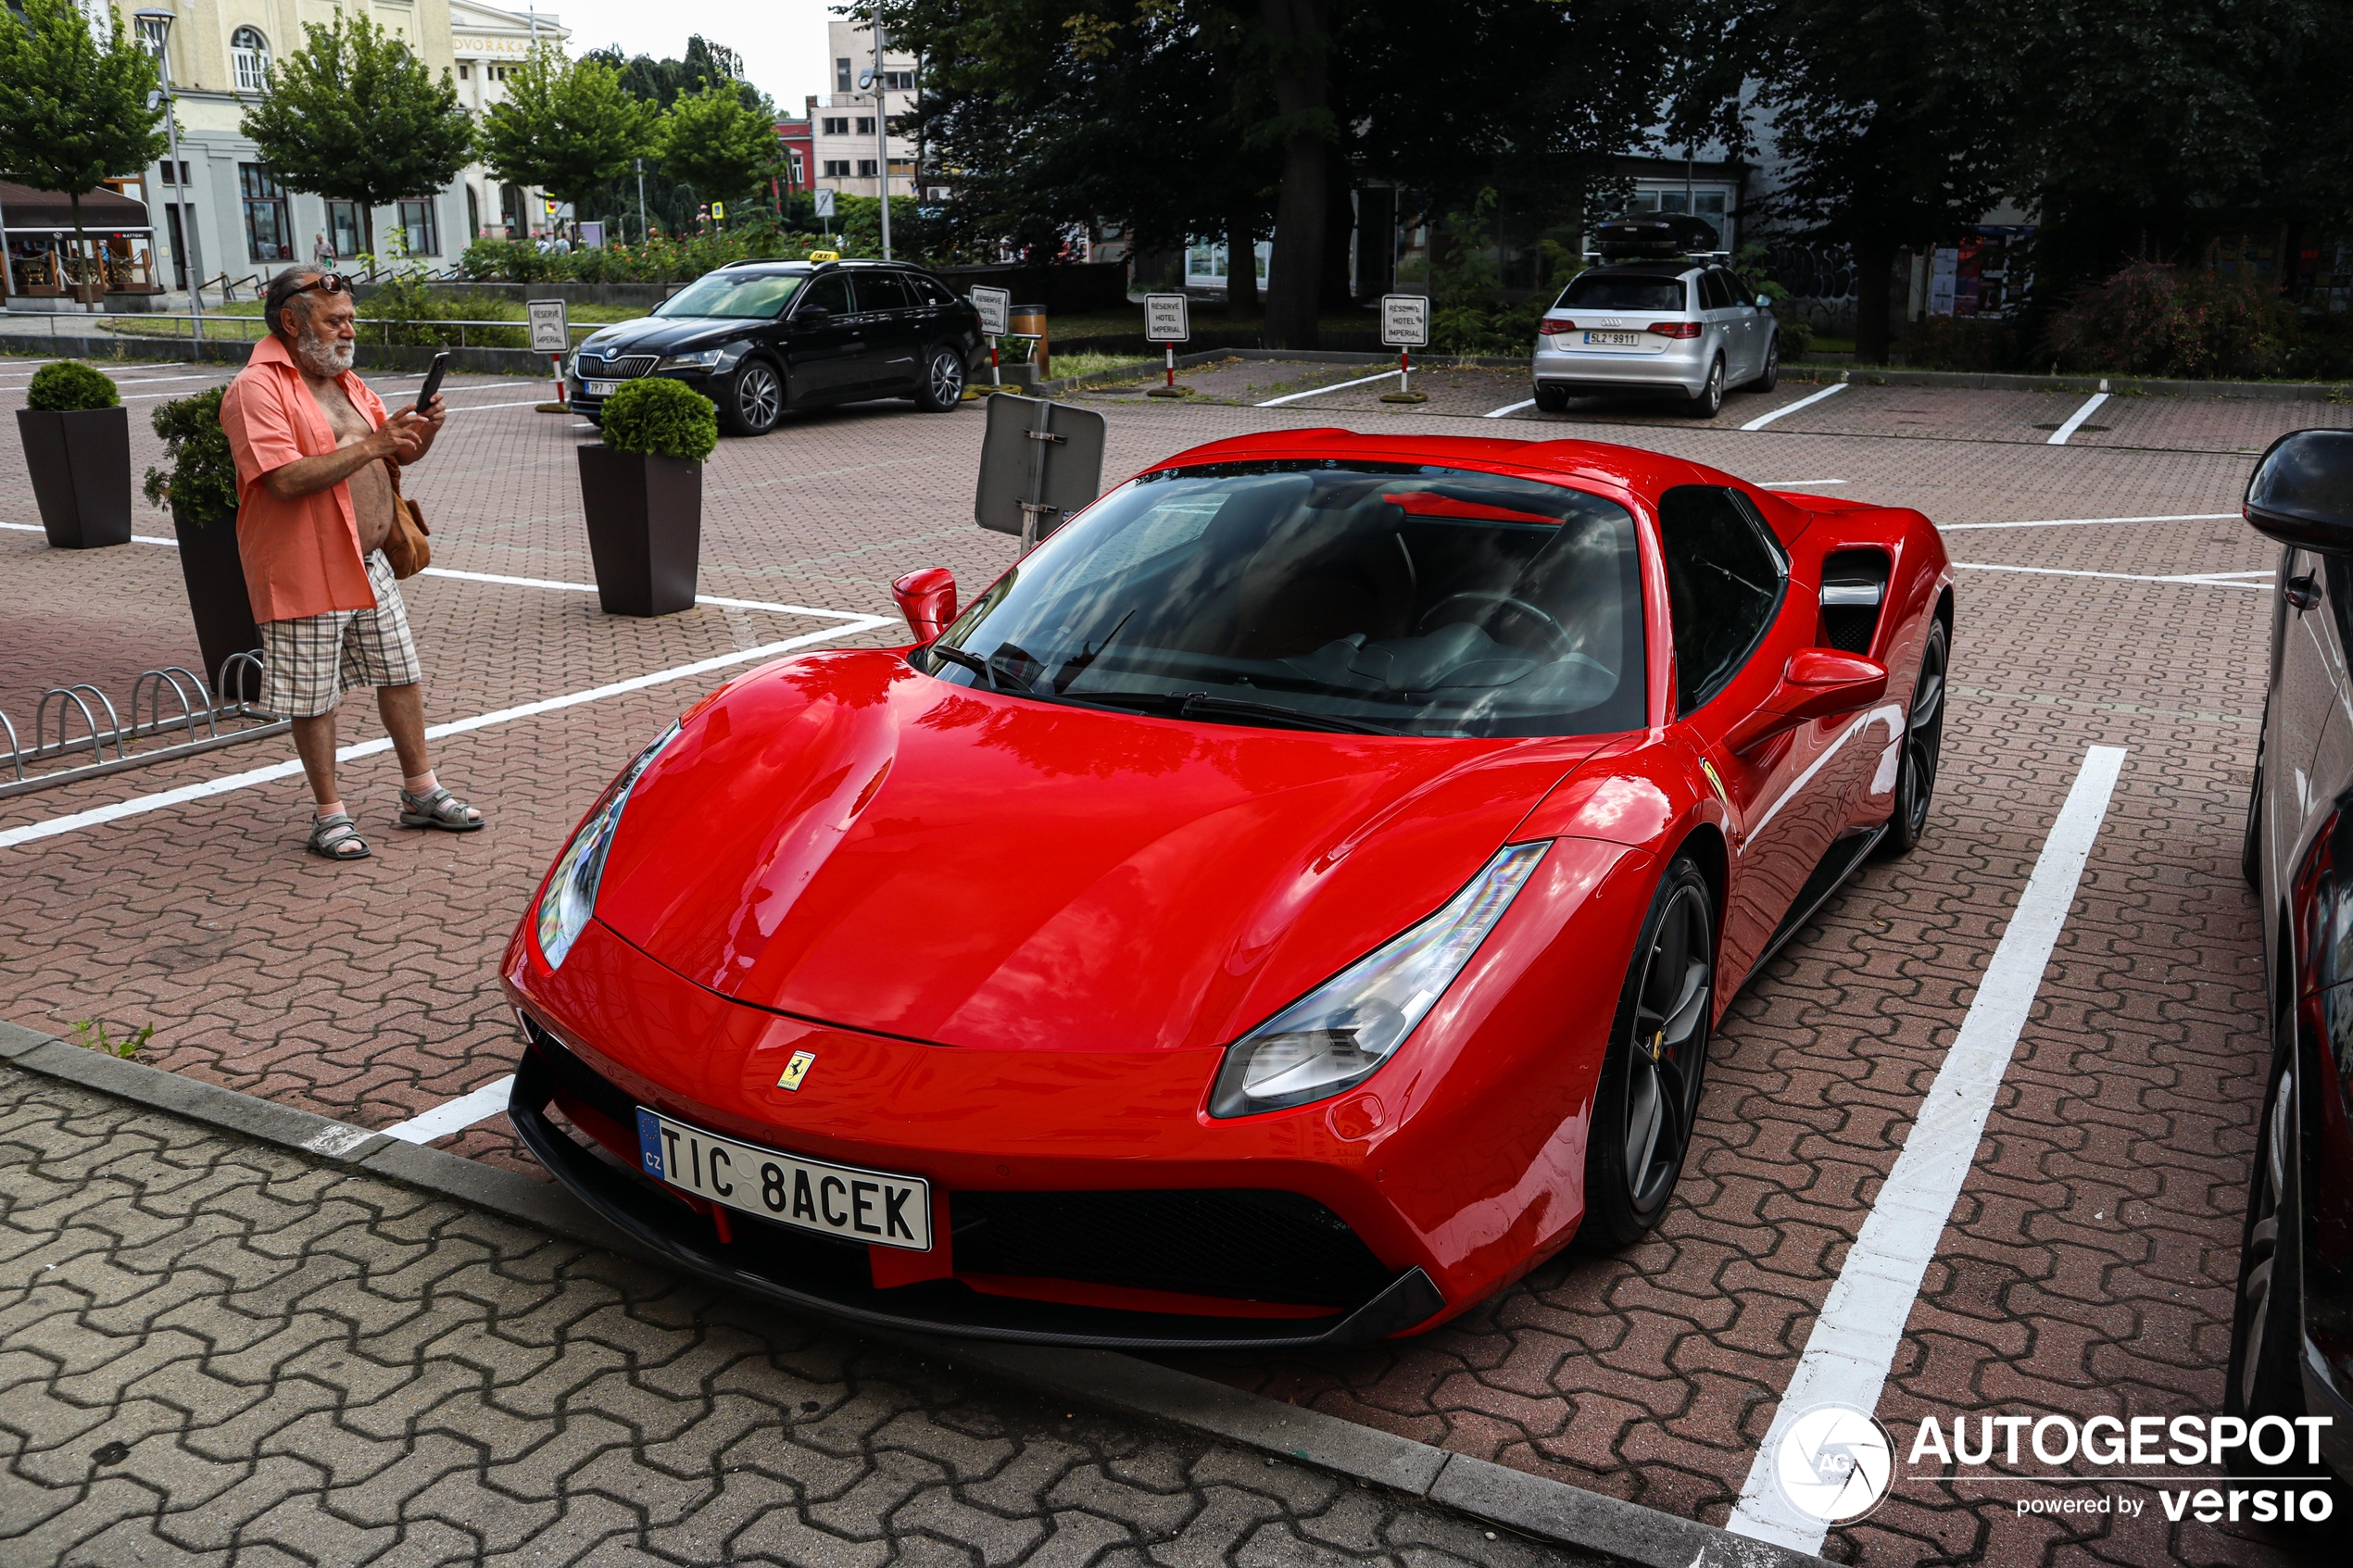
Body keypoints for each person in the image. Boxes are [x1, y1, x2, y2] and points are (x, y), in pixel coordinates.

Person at [219, 266, 483, 860]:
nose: (348, 331)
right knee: (314, 698)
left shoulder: (345, 381)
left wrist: (421, 433)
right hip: (304, 564)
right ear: (292, 321)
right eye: (335, 320)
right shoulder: (256, 388)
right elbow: (283, 479)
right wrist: (373, 443)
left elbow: (395, 454)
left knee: (401, 673)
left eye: (350, 320)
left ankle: (421, 792)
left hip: (368, 560)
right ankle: (329, 815)